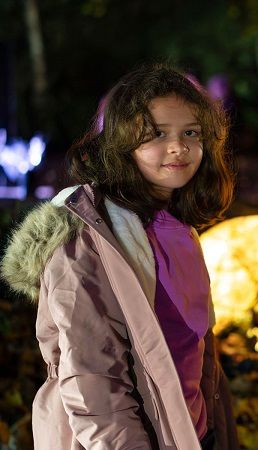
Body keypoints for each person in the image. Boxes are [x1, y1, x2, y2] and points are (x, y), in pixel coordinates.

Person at [1, 64, 238, 449]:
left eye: (190, 133)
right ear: (122, 143)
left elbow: (198, 356)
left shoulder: (179, 230)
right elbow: (94, 386)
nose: (178, 147)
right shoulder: (84, 246)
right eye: (157, 134)